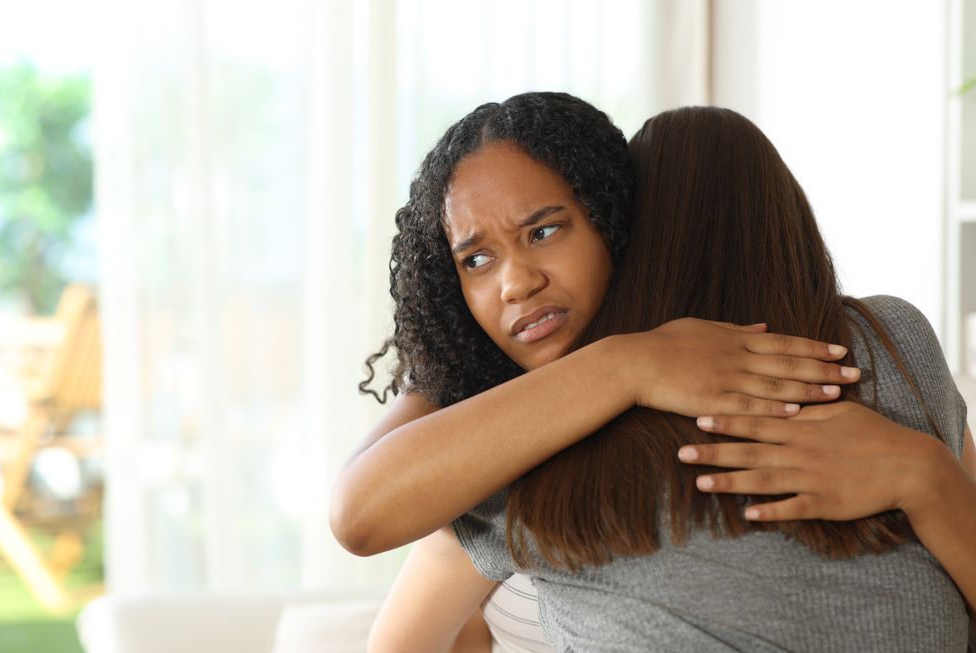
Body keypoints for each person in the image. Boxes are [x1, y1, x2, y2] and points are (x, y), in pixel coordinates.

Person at [330, 95, 974, 651]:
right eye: (475, 261)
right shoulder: (522, 426)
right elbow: (360, 514)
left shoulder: (888, 349)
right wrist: (628, 363)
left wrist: (925, 476)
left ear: (618, 229)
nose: (516, 283)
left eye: (545, 231)